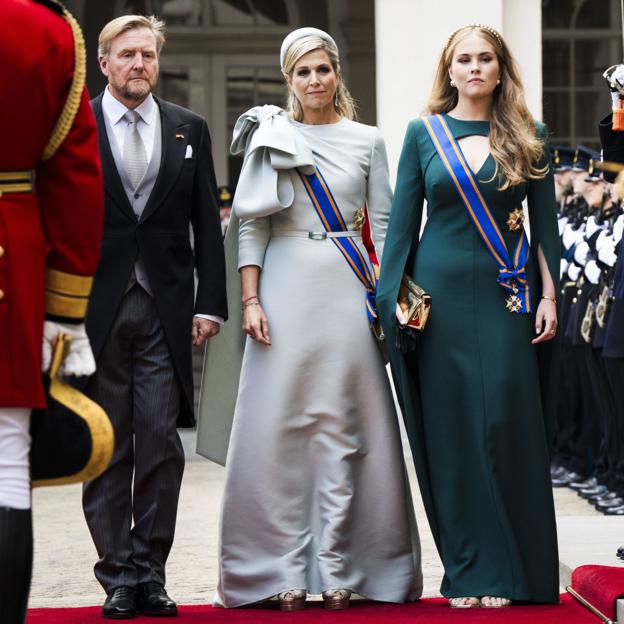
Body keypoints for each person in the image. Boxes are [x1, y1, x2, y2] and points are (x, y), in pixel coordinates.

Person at [202, 27, 422, 611]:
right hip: (282, 288)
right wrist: (250, 302)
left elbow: (382, 228)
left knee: (349, 432)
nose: (315, 80)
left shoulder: (368, 139)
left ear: (336, 74)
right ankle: (279, 571)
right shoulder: (271, 135)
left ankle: (347, 568)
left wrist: (387, 299)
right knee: (278, 433)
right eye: (303, 72)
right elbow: (252, 224)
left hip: (349, 292)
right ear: (289, 79)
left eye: (323, 69)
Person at [377, 23, 560, 608]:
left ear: (501, 68)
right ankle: (468, 572)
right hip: (440, 304)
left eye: (486, 58)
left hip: (510, 299)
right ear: (449, 70)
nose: (475, 67)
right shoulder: (423, 134)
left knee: (508, 427)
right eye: (464, 59)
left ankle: (515, 571)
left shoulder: (531, 135)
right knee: (454, 435)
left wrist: (550, 297)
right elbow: (402, 230)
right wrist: (394, 307)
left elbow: (546, 233)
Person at [82, 14, 227, 619]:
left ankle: (152, 571)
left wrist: (210, 302)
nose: (140, 64)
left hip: (167, 309)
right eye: (128, 54)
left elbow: (207, 227)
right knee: (107, 445)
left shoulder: (188, 128)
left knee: (162, 445)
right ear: (105, 62)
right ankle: (118, 576)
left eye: (148, 54)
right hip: (96, 308)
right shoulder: (75, 128)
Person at [0, 1, 104, 622]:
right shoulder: (45, 27)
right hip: (11, 258)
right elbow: (74, 179)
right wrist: (64, 317)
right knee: (6, 459)